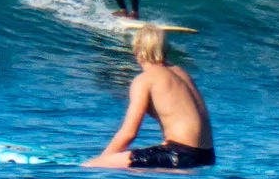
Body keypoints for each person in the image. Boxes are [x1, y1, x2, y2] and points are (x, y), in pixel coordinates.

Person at [84, 23, 216, 170]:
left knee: (92, 166)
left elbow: (129, 133)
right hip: (207, 156)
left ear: (137, 50)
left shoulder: (145, 80)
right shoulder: (181, 72)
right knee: (135, 168)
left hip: (179, 155)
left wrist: (102, 159)